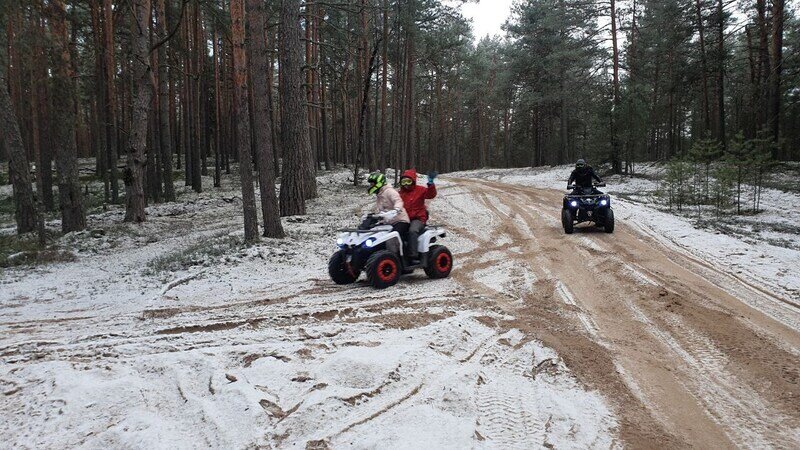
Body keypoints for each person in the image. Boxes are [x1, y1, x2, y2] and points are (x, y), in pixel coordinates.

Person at [399, 169, 437, 262]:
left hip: (418, 219)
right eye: (404, 182)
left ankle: (413, 256)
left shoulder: (420, 190)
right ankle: (398, 256)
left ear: (413, 181)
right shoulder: (400, 193)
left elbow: (431, 194)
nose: (406, 184)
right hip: (404, 219)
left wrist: (431, 183)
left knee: (413, 231)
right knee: (395, 232)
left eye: (408, 181)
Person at [367, 172, 410, 254]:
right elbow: (381, 209)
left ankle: (396, 257)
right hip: (387, 222)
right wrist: (373, 215)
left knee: (392, 238)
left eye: (372, 184)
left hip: (400, 220)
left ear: (379, 183)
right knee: (375, 235)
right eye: (370, 184)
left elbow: (398, 201)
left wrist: (396, 209)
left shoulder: (390, 191)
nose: (371, 186)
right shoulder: (379, 194)